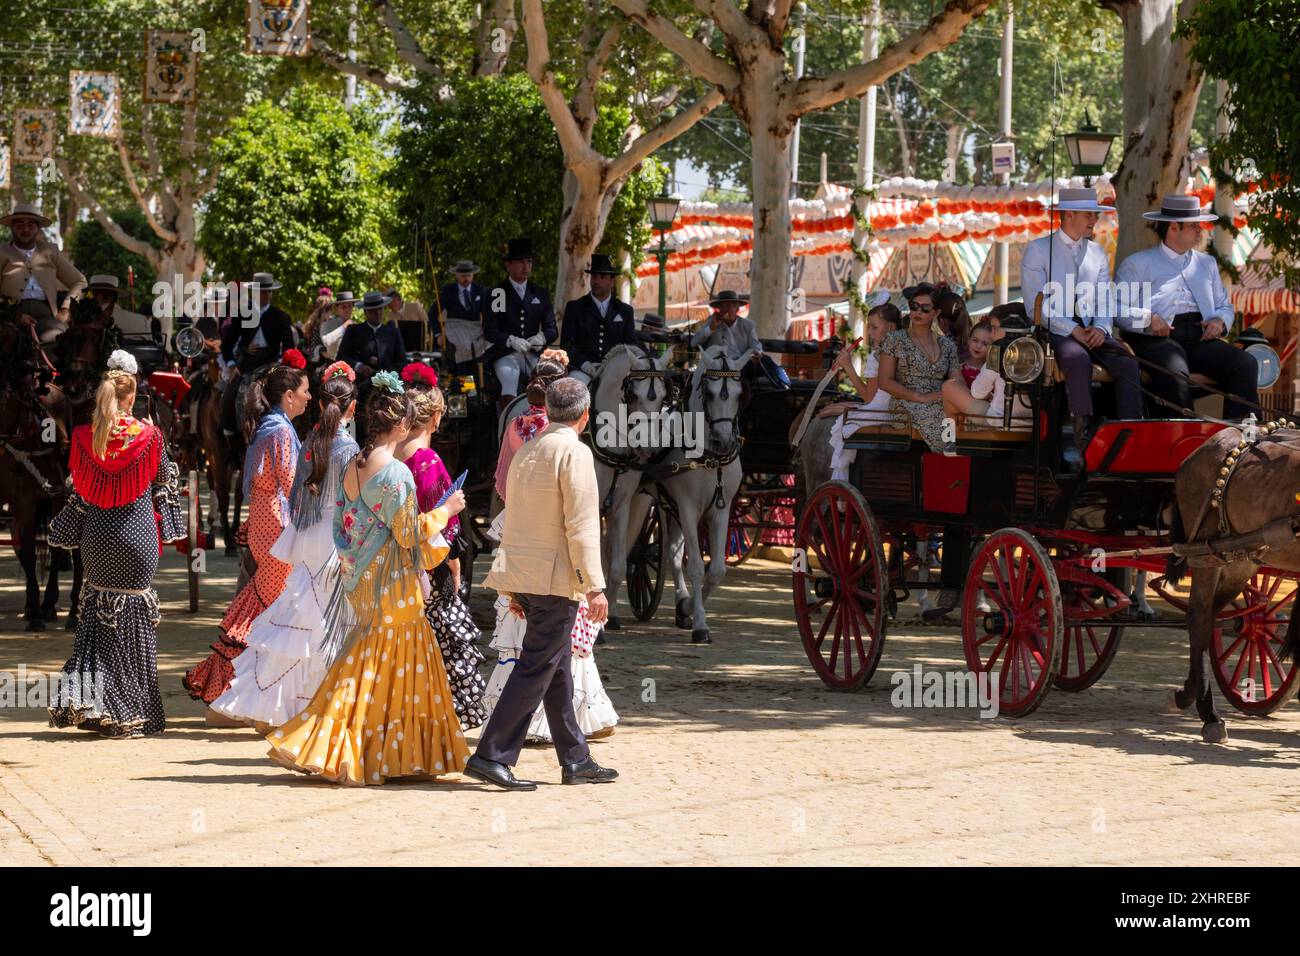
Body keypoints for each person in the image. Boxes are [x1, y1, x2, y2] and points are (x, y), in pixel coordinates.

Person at [265, 371, 470, 786]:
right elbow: (410, 533)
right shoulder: (396, 474)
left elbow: (344, 528)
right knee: (387, 668)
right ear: (399, 425)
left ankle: (370, 751)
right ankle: (371, 750)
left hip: (359, 579)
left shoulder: (354, 465)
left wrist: (358, 563)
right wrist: (446, 513)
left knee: (366, 665)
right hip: (392, 585)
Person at [465, 377, 617, 791]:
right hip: (553, 580)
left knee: (555, 667)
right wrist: (595, 587)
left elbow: (514, 522)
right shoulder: (576, 453)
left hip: (529, 574)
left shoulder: (529, 451)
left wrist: (512, 584)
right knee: (537, 666)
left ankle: (576, 758)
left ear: (547, 410)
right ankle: (491, 755)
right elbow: (582, 525)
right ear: (585, 416)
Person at [207, 362, 359, 730]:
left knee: (284, 618)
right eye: (303, 390)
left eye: (312, 393)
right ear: (351, 407)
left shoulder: (305, 438)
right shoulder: (304, 437)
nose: (307, 396)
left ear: (322, 405)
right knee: (296, 617)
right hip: (296, 531)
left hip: (295, 533)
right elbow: (303, 492)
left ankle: (260, 700)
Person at [46, 350, 186, 737]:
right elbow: (163, 485)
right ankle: (129, 710)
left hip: (97, 537)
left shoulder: (84, 437)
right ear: (131, 395)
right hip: (137, 537)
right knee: (133, 622)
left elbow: (81, 492)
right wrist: (173, 526)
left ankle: (91, 702)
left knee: (95, 618)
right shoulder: (150, 436)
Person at [183, 356, 310, 716]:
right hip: (277, 526)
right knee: (271, 614)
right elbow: (291, 486)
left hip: (264, 524)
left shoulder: (269, 426)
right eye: (304, 391)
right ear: (288, 396)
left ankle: (243, 692)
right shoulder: (280, 430)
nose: (309, 398)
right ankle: (238, 693)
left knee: (263, 609)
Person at [394, 362, 488, 730]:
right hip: (430, 566)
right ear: (434, 417)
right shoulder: (427, 460)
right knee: (442, 649)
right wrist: (452, 563)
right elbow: (438, 523)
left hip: (398, 566)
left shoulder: (393, 455)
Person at [1115, 193, 1258, 421]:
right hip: (1155, 339)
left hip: (1199, 338)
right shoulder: (1137, 263)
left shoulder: (1206, 263)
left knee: (1245, 363)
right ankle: (1182, 438)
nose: (1200, 230)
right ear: (1173, 227)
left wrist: (1219, 322)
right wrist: (1148, 319)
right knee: (1174, 370)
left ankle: (1240, 437)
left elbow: (1224, 306)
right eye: (1193, 226)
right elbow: (1116, 310)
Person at [1020, 187, 1142, 452]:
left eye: (1095, 215)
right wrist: (1072, 329)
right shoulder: (1038, 249)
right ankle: (1083, 438)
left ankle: (1130, 434)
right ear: (1069, 214)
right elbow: (1035, 306)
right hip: (1055, 331)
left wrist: (1100, 327)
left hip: (1091, 329)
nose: (1094, 220)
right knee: (1077, 358)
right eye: (1089, 214)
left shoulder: (1097, 253)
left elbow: (1104, 298)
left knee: (1128, 363)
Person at [877, 285, 961, 452]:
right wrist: (920, 397)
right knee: (943, 424)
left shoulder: (947, 344)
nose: (918, 312)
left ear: (936, 313)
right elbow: (884, 381)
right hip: (906, 402)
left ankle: (961, 472)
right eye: (914, 306)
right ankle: (948, 466)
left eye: (925, 308)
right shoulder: (895, 339)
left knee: (970, 422)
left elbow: (957, 381)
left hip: (941, 400)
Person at [824, 301, 901, 481]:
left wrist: (848, 367)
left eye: (874, 327)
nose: (870, 332)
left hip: (881, 412)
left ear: (891, 327)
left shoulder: (879, 354)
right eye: (869, 327)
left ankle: (841, 482)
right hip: (896, 409)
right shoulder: (905, 347)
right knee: (842, 408)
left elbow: (868, 398)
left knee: (841, 424)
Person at [483, 237, 557, 406]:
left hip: (532, 353)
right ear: (508, 265)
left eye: (529, 262)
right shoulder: (498, 293)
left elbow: (552, 328)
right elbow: (489, 329)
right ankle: (507, 424)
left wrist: (542, 338)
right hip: (505, 353)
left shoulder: (540, 293)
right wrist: (510, 340)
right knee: (510, 376)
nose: (526, 267)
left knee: (546, 379)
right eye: (520, 262)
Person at [219, 272, 294, 437]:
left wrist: (281, 362)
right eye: (262, 291)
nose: (266, 295)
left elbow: (289, 346)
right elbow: (227, 344)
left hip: (273, 364)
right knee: (230, 393)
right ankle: (232, 435)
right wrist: (231, 365)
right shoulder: (243, 313)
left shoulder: (280, 316)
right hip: (247, 365)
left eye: (269, 291)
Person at [0, 202, 86, 343]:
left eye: (31, 225)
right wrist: (15, 316)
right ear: (12, 228)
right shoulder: (2, 253)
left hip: (45, 314)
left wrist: (65, 309)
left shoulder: (50, 251)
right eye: (20, 225)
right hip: (8, 315)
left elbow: (79, 281)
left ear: (38, 229)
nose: (25, 229)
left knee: (57, 339)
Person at [560, 253, 637, 385]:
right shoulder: (575, 308)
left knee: (626, 397)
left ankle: (622, 408)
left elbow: (630, 346)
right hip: (582, 371)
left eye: (602, 277)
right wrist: (584, 364)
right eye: (594, 276)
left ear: (612, 281)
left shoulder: (624, 311)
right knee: (576, 389)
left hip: (615, 371)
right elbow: (567, 345)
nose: (596, 281)